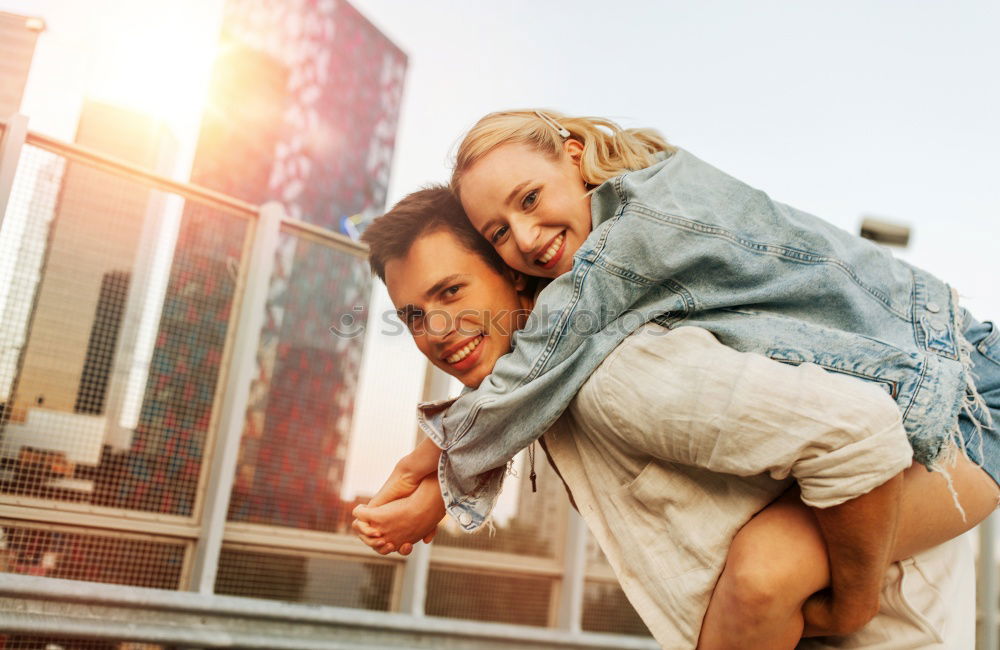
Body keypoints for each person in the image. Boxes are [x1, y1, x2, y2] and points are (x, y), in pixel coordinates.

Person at [368, 109, 999, 640]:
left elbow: (542, 351)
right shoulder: (609, 271)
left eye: (530, 198)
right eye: (499, 231)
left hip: (968, 387)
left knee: (764, 570)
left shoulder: (627, 253)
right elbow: (535, 362)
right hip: (932, 384)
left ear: (575, 154)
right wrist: (449, 471)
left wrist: (433, 463)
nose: (528, 238)